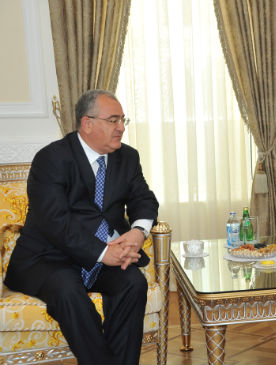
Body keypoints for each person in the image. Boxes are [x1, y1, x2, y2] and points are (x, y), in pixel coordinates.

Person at [4, 89, 159, 364]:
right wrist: (103, 253)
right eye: (113, 120)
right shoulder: (51, 159)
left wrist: (137, 232)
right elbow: (54, 221)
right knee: (68, 293)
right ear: (87, 123)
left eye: (123, 120)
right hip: (51, 258)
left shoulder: (128, 157)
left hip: (106, 255)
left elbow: (143, 199)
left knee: (133, 283)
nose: (121, 128)